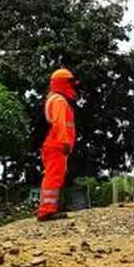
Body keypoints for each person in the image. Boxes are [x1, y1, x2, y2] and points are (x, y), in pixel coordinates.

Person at [37, 68, 80, 221]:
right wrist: (65, 142)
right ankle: (46, 211)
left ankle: (50, 208)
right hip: (57, 145)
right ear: (64, 84)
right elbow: (59, 123)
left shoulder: (55, 99)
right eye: (72, 83)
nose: (74, 86)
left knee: (56, 176)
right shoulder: (59, 101)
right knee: (53, 176)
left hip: (55, 145)